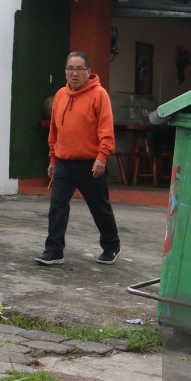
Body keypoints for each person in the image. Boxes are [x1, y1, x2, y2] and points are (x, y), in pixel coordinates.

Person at [35, 52, 121, 266]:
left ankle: (111, 246)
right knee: (57, 206)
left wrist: (102, 157)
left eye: (79, 69)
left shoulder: (99, 95)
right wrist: (53, 159)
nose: (74, 73)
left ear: (88, 72)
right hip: (64, 162)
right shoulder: (60, 95)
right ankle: (54, 251)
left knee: (99, 206)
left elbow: (106, 129)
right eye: (70, 69)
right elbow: (54, 130)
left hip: (91, 163)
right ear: (65, 72)